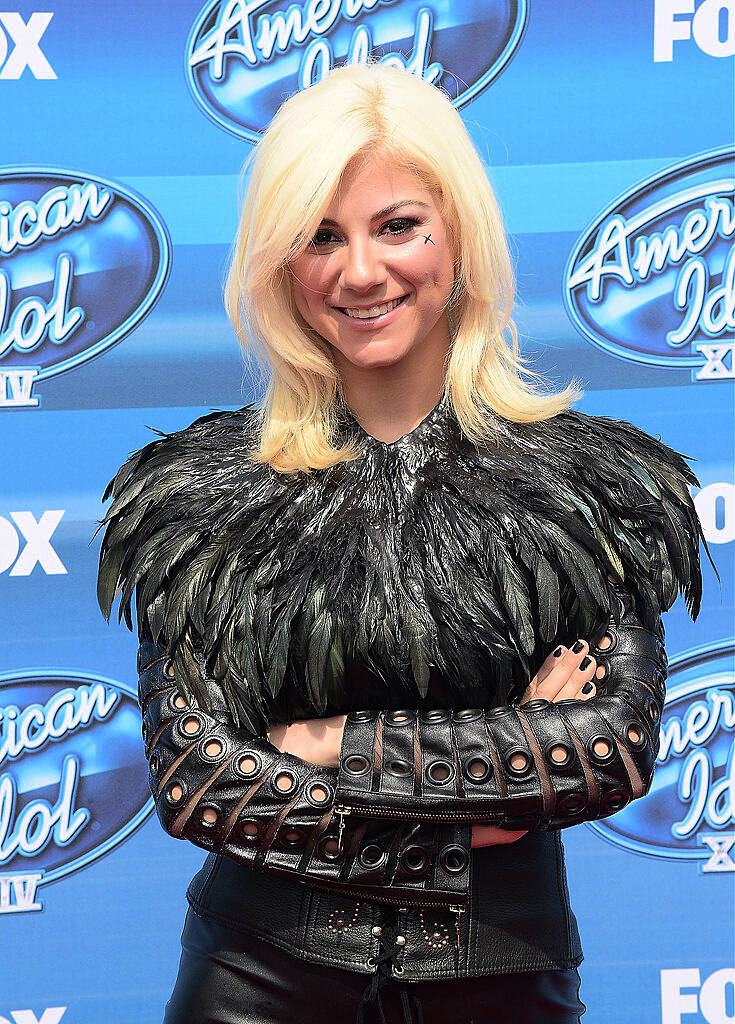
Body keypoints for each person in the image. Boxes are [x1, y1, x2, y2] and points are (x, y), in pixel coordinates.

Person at [94, 61, 715, 1024]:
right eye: (319, 236)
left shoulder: (584, 492)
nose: (360, 271)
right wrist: (492, 801)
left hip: (502, 978)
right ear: (279, 266)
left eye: (397, 226)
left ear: (457, 237)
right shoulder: (202, 498)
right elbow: (203, 783)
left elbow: (603, 750)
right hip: (252, 979)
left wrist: (325, 743)